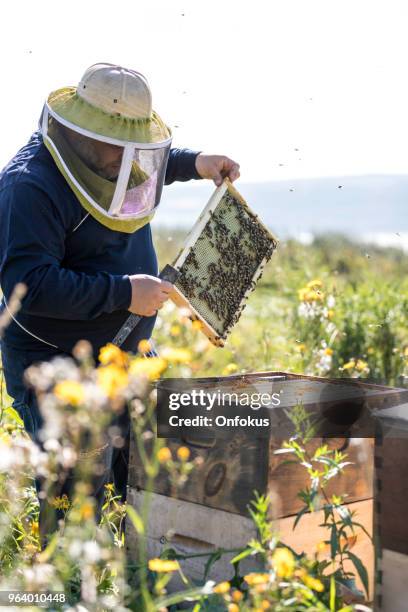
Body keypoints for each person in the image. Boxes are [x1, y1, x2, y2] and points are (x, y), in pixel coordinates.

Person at [0, 63, 239, 536]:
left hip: (126, 354)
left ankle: (130, 587)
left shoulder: (116, 158)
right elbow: (29, 287)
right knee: (76, 506)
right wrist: (125, 292)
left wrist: (195, 163)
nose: (125, 160)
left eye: (135, 148)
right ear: (80, 135)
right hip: (55, 366)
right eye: (114, 143)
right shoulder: (29, 188)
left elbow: (141, 165)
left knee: (142, 484)